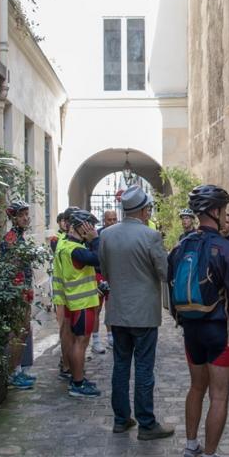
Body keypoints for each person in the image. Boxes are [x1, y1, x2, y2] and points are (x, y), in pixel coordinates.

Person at [168, 184, 229, 457]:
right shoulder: (227, 249)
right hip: (220, 331)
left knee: (196, 388)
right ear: (217, 212)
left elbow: (171, 288)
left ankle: (191, 447)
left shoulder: (181, 246)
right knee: (219, 396)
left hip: (191, 332)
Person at [99, 185, 173, 439]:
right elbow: (164, 273)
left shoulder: (107, 235)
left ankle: (121, 419)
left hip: (118, 312)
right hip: (143, 313)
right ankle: (146, 423)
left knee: (120, 366)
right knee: (143, 368)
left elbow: (106, 272)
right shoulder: (150, 236)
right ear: (142, 210)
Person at [57, 209, 102, 398]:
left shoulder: (64, 245)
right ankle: (77, 383)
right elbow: (99, 259)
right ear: (81, 227)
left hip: (72, 302)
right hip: (82, 302)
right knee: (81, 343)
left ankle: (78, 378)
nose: (92, 229)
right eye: (89, 226)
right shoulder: (76, 250)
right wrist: (95, 239)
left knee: (78, 342)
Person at [0, 200, 36, 390]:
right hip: (17, 293)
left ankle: (19, 369)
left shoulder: (19, 237)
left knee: (23, 331)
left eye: (26, 214)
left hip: (23, 291)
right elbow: (12, 269)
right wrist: (21, 292)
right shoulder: (12, 238)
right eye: (21, 215)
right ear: (13, 217)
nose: (26, 218)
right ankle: (13, 374)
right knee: (18, 332)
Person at [50, 209, 72, 377]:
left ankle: (69, 361)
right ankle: (66, 363)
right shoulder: (59, 241)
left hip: (70, 294)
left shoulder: (65, 240)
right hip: (65, 294)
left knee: (70, 331)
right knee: (65, 329)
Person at [93, 209, 118, 352]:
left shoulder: (120, 234)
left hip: (114, 275)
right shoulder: (98, 235)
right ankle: (96, 339)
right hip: (99, 274)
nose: (112, 222)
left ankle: (111, 337)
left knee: (111, 307)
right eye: (109, 219)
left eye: (115, 219)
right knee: (97, 307)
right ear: (104, 220)